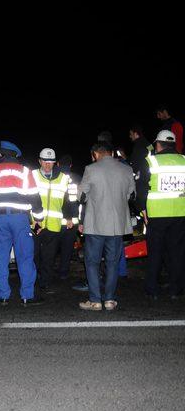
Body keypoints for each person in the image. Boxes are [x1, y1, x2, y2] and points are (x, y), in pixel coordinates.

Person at [0, 140, 45, 306]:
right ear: (16, 156)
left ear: (0, 155)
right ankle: (27, 295)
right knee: (25, 257)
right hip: (20, 219)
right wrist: (39, 220)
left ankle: (3, 295)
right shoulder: (25, 171)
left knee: (1, 257)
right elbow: (35, 198)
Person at [77, 142, 135, 311]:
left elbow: (81, 195)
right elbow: (131, 195)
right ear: (111, 152)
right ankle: (109, 299)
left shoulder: (91, 169)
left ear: (96, 154)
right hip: (117, 225)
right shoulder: (126, 169)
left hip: (96, 224)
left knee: (92, 262)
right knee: (112, 262)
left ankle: (95, 300)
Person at [136, 130, 185, 300]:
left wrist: (142, 210)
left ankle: (152, 289)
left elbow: (141, 189)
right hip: (180, 214)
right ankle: (176, 290)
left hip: (156, 215)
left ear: (158, 144)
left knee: (155, 252)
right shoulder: (184, 161)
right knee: (177, 252)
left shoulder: (151, 161)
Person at [32, 148, 76, 292]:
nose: (47, 165)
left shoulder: (64, 178)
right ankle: (34, 279)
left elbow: (69, 199)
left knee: (49, 256)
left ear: (55, 163)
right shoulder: (32, 176)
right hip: (35, 223)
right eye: (45, 161)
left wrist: (69, 216)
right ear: (39, 161)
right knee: (34, 255)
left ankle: (45, 282)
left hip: (54, 224)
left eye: (50, 162)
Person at [57, 154, 81, 280]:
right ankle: (64, 272)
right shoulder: (77, 178)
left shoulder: (54, 177)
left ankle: (46, 273)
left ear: (58, 164)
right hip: (72, 221)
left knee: (51, 248)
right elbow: (80, 200)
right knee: (67, 248)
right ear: (71, 165)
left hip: (55, 220)